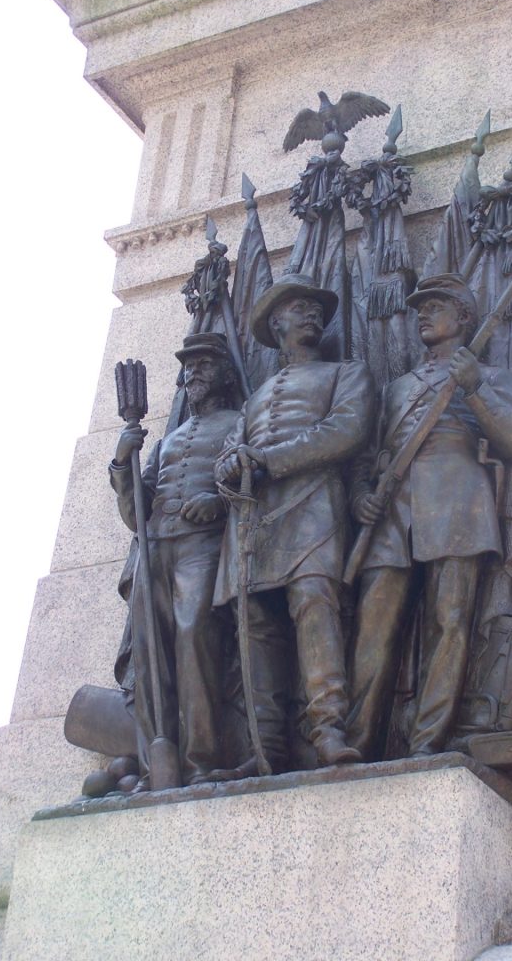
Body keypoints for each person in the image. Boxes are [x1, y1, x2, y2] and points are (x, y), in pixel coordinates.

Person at [347, 274, 512, 761]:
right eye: (419, 309)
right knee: (373, 627)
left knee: (448, 623)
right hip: (394, 514)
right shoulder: (397, 387)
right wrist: (360, 497)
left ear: (464, 317)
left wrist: (473, 388)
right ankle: (354, 743)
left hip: (458, 504)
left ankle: (427, 744)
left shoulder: (491, 379)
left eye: (435, 306)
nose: (423, 316)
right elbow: (368, 458)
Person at [214, 273, 374, 771]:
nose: (312, 314)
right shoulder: (254, 398)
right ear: (276, 322)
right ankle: (264, 745)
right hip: (253, 518)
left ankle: (327, 729)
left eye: (316, 308)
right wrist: (231, 464)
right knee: (255, 624)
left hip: (312, 506)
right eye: (299, 307)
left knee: (314, 605)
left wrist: (269, 460)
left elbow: (345, 430)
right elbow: (226, 454)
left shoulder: (346, 373)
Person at [110, 332, 240, 787]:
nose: (194, 373)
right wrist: (122, 463)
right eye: (189, 367)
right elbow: (136, 515)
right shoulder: (168, 440)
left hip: (203, 546)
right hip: (158, 549)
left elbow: (257, 480)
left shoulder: (241, 420)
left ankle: (202, 758)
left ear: (225, 373)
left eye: (204, 364)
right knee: (151, 654)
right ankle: (156, 766)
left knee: (193, 641)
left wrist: (220, 501)